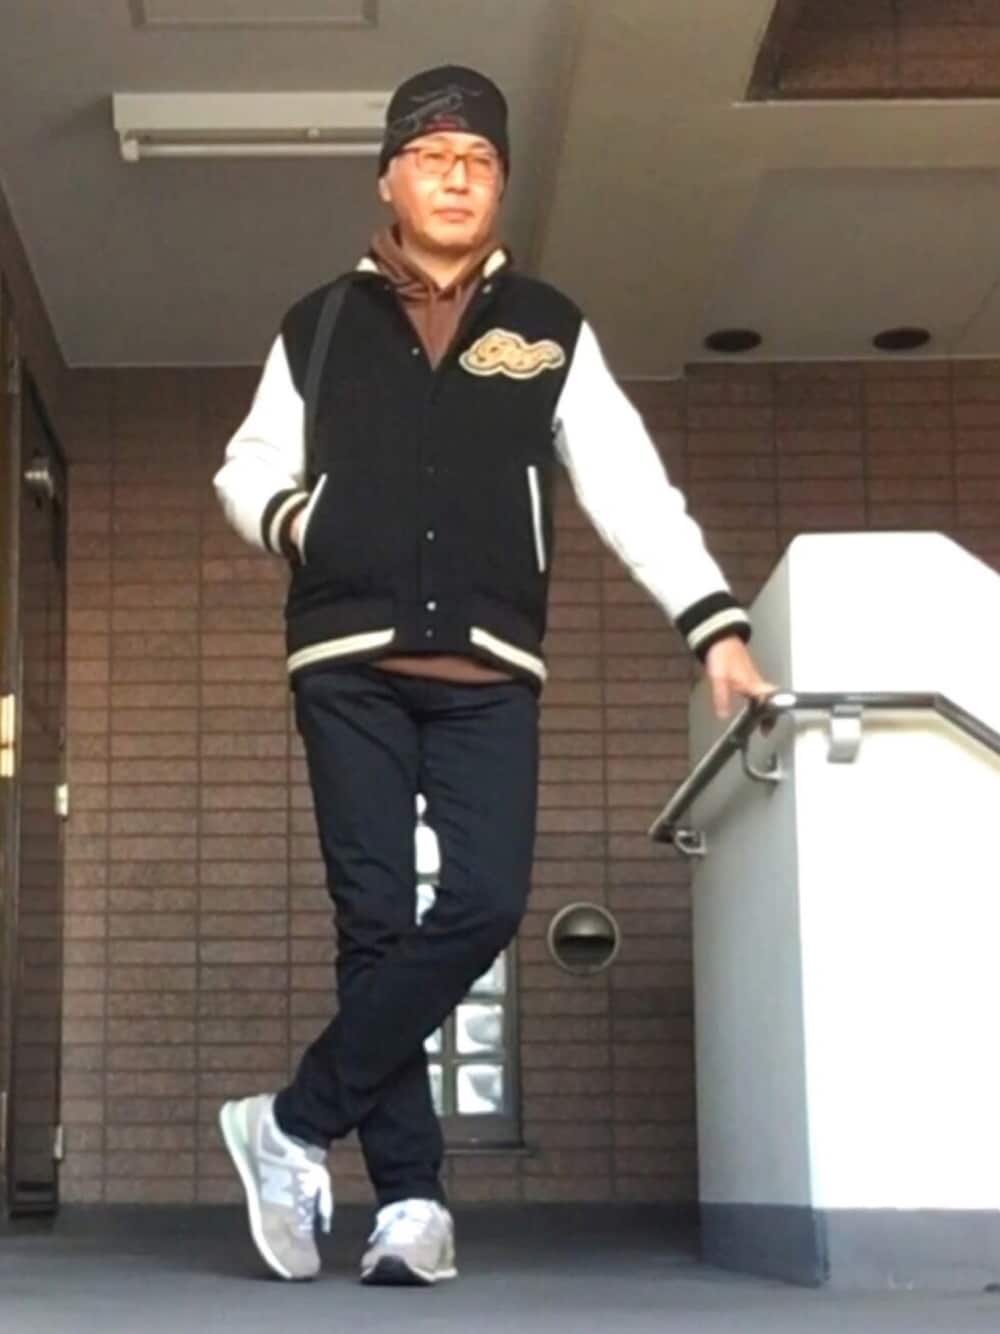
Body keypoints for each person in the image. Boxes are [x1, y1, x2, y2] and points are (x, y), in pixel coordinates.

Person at [212, 63, 776, 1288]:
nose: (456, 178)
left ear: (501, 185)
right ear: (390, 179)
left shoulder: (550, 326)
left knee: (482, 900)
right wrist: (303, 522)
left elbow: (628, 484)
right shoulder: (318, 323)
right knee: (374, 922)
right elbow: (245, 467)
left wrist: (712, 625)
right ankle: (411, 1200)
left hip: (488, 666)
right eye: (432, 157)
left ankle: (291, 1120)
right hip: (347, 661)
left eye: (478, 161)